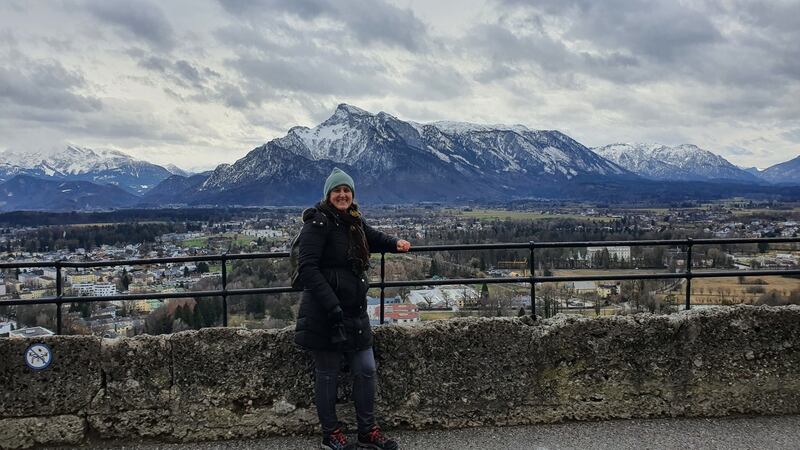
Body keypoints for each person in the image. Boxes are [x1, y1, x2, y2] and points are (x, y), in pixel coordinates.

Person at [295, 167, 411, 450]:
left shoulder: (354, 222)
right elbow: (307, 268)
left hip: (355, 312)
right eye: (337, 190)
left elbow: (372, 237)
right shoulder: (317, 224)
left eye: (346, 190)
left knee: (366, 369)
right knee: (327, 374)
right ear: (328, 195)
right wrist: (332, 303)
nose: (342, 195)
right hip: (325, 313)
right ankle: (331, 434)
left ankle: (367, 430)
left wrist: (395, 243)